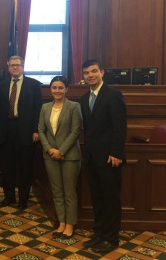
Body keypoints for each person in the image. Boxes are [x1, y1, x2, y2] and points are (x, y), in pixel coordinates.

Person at [79, 60, 127, 254]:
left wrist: (116, 152)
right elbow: (89, 130)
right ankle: (99, 234)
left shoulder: (113, 95)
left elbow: (120, 127)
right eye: (86, 73)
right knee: (97, 198)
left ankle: (111, 238)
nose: (90, 75)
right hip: (91, 157)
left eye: (93, 71)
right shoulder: (84, 98)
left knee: (111, 199)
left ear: (102, 72)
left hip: (109, 158)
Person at [0, 55, 42, 210]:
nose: (15, 67)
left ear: (23, 66)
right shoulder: (2, 85)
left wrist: (36, 130)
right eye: (12, 65)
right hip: (6, 130)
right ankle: (9, 197)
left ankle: (23, 200)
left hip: (26, 131)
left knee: (25, 168)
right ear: (8, 67)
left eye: (18, 65)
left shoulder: (33, 85)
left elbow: (37, 109)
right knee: (7, 166)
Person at [38, 76, 82, 239]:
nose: (57, 91)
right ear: (51, 90)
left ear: (66, 89)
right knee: (56, 191)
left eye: (60, 88)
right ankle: (61, 223)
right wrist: (50, 149)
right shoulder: (45, 108)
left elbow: (75, 131)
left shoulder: (74, 106)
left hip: (69, 156)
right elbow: (41, 130)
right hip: (50, 155)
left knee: (69, 192)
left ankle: (70, 225)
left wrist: (60, 151)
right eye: (54, 88)